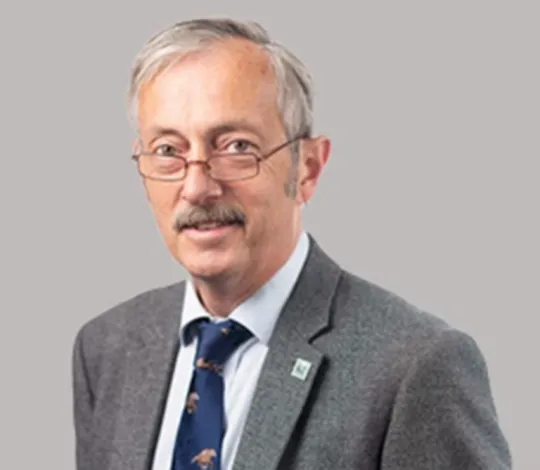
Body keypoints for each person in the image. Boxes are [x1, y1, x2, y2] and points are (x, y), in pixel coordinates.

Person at [71, 17, 512, 470]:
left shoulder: (414, 366)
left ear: (307, 168)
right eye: (168, 150)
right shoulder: (107, 348)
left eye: (236, 147)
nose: (197, 187)